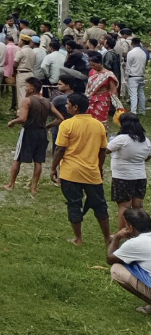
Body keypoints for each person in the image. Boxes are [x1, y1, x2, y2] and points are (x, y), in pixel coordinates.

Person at [53, 92, 111, 246]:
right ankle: (107, 238)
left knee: (74, 204)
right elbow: (102, 151)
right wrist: (98, 167)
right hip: (92, 173)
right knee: (100, 205)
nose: (66, 107)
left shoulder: (67, 124)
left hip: (70, 173)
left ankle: (78, 238)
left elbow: (60, 149)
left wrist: (53, 168)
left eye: (68, 104)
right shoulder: (98, 124)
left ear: (75, 107)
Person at [4, 77, 52, 193]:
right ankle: (34, 187)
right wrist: (48, 126)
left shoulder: (27, 100)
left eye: (27, 86)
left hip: (29, 131)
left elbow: (23, 118)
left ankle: (11, 184)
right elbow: (60, 118)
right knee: (38, 161)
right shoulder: (47, 101)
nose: (25, 88)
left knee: (18, 158)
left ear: (31, 88)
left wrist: (12, 122)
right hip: (42, 133)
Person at [108, 113, 151, 231]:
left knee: (124, 206)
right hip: (140, 176)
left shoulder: (122, 139)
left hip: (123, 177)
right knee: (138, 206)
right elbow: (147, 157)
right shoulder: (145, 140)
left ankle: (123, 233)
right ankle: (141, 231)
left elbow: (106, 150)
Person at [106, 207, 151, 314]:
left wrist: (117, 237)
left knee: (116, 269)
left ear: (130, 227)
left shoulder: (135, 243)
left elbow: (110, 259)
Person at [85, 52, 119, 123]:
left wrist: (116, 104)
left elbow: (113, 90)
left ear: (100, 63)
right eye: (91, 65)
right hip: (91, 99)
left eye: (94, 65)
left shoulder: (108, 74)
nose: (92, 67)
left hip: (102, 100)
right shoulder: (92, 72)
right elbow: (89, 85)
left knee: (101, 119)